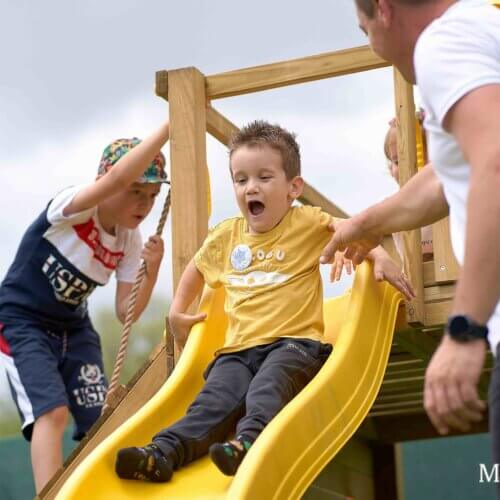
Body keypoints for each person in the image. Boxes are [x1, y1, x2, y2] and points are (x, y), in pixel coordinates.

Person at [114, 120, 413, 483]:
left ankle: (248, 443)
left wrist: (379, 256)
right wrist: (177, 310)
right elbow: (196, 267)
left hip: (294, 346)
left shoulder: (305, 222)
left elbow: (349, 230)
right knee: (211, 403)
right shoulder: (227, 236)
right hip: (237, 351)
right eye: (241, 180)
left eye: (264, 177)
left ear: (293, 188)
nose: (251, 187)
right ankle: (161, 454)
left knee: (267, 388)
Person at [322, 0, 500, 469]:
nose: (373, 47)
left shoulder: (443, 42)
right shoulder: (485, 24)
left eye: (364, 31)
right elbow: (448, 175)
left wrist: (464, 328)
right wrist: (367, 224)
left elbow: (494, 164)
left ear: (384, 10)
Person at [0, 121, 170, 493]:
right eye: (136, 191)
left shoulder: (129, 239)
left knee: (101, 420)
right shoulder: (74, 206)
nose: (144, 204)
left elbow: (126, 311)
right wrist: (170, 127)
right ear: (103, 182)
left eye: (153, 194)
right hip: (22, 322)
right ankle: (49, 493)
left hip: (73, 328)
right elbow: (115, 179)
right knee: (52, 411)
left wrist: (152, 270)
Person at [384, 117, 433, 261]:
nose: (407, 167)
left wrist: (429, 124)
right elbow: (365, 228)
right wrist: (378, 255)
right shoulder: (389, 206)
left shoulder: (448, 195)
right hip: (413, 273)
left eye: (416, 157)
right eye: (397, 162)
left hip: (451, 268)